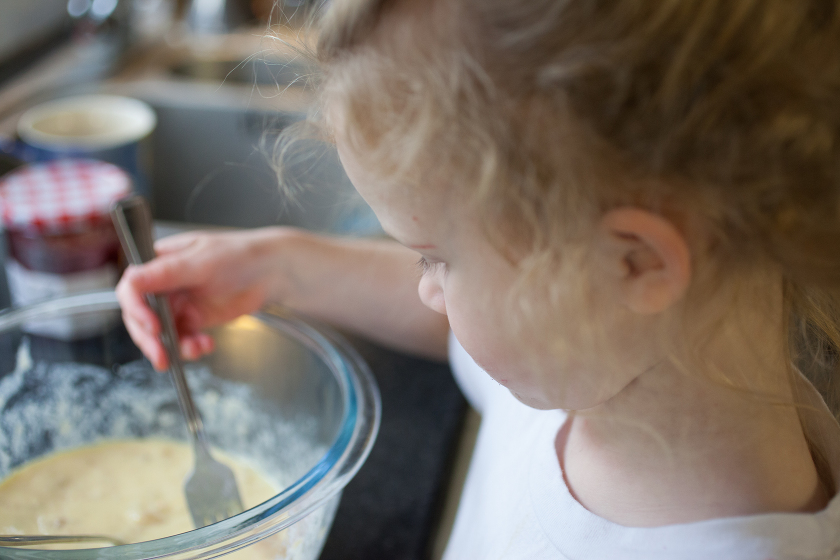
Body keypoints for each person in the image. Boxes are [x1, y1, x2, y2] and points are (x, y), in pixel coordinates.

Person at [116, 0, 840, 557]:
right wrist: (276, 265)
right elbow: (467, 326)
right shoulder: (609, 366)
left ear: (635, 263)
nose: (424, 284)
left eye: (436, 258)